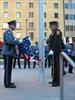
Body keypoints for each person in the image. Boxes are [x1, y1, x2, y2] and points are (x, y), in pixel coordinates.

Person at [2, 20, 23, 88]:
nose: (15, 26)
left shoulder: (10, 32)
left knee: (9, 68)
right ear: (10, 25)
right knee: (8, 69)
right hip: (7, 52)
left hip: (9, 52)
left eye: (15, 25)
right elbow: (10, 41)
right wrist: (18, 41)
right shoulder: (8, 32)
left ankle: (8, 82)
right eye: (14, 25)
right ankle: (7, 84)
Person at [47, 21, 64, 87]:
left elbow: (56, 42)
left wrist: (52, 50)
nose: (50, 27)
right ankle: (54, 80)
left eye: (50, 26)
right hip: (53, 52)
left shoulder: (58, 32)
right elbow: (50, 40)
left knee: (57, 67)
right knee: (54, 67)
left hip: (56, 52)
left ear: (54, 26)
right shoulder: (52, 33)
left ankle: (58, 82)